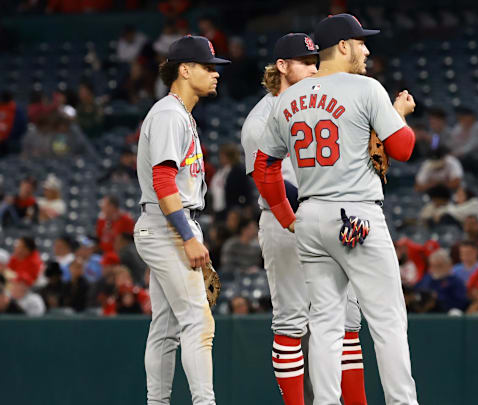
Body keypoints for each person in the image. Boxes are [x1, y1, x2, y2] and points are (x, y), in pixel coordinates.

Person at [252, 14, 419, 405]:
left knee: (324, 325)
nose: (366, 49)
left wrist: (286, 215)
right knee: (388, 321)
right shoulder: (366, 88)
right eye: (361, 42)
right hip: (357, 213)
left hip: (310, 216)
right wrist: (397, 117)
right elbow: (404, 149)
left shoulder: (287, 99)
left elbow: (264, 167)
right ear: (343, 46)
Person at [242, 32, 368, 405]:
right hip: (285, 222)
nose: (314, 69)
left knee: (348, 322)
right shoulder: (261, 119)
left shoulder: (322, 104)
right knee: (292, 322)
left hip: (329, 217)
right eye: (305, 62)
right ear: (282, 66)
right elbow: (272, 185)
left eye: (316, 62)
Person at [133, 35, 229, 405]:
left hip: (165, 223)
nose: (215, 73)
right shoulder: (171, 114)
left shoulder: (177, 113)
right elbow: (162, 181)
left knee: (167, 326)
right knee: (197, 323)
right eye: (208, 67)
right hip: (169, 225)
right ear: (185, 70)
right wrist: (188, 235)